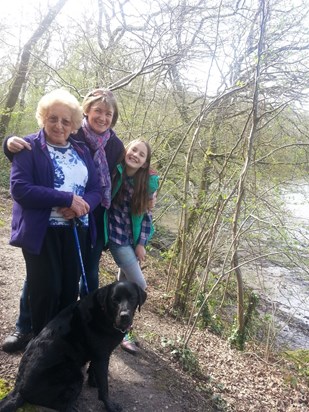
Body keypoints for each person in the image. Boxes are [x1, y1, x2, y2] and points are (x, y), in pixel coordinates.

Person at [1, 88, 124, 352]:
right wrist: (66, 198)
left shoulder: (86, 148)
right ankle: (35, 344)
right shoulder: (30, 146)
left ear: (73, 125)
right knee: (46, 288)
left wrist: (83, 206)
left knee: (68, 290)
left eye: (65, 121)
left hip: (78, 230)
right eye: (53, 118)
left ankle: (58, 345)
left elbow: (96, 189)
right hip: (42, 230)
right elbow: (20, 189)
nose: (59, 125)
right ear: (43, 118)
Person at [104, 139, 159, 354]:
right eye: (133, 149)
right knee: (139, 285)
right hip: (116, 238)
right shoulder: (115, 170)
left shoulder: (144, 185)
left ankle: (119, 329)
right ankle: (121, 328)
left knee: (124, 286)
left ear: (145, 163)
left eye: (141, 154)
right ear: (126, 149)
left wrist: (141, 244)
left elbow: (145, 217)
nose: (135, 154)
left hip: (131, 239)